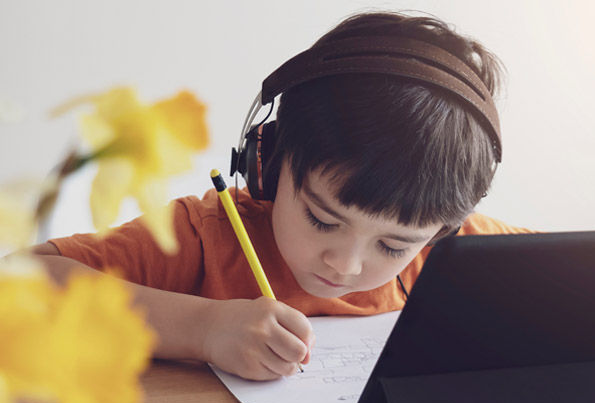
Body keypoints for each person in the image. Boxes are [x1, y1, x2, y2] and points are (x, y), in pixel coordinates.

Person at [31, 11, 530, 381]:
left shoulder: (451, 256)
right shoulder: (205, 238)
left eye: (394, 247)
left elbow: (587, 274)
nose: (347, 264)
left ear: (440, 232)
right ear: (265, 161)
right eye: (322, 219)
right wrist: (202, 328)